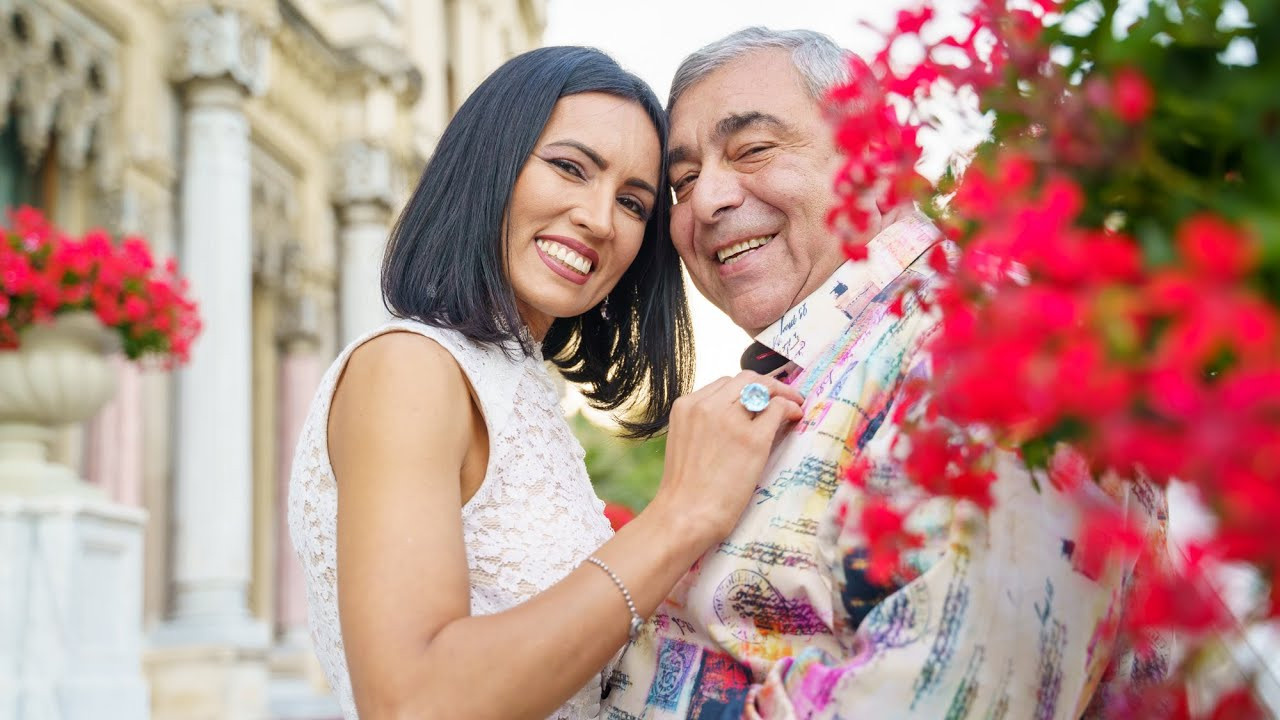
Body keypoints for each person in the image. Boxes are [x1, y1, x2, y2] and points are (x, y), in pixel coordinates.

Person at [601, 28, 1168, 719]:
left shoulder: (992, 345)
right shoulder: (833, 361)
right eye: (682, 181)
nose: (704, 201)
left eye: (753, 149)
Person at [287, 46, 803, 720]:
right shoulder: (409, 368)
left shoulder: (522, 390)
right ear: (490, 162)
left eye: (632, 202)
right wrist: (678, 516)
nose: (598, 217)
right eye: (569, 168)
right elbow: (411, 700)